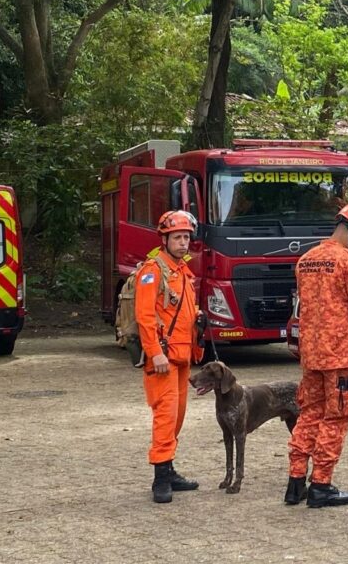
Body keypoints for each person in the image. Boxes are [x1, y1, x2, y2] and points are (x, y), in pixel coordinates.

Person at [285, 203, 348, 508]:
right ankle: (321, 485)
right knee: (336, 418)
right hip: (342, 357)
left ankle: (295, 481)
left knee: (309, 415)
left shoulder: (306, 260)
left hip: (311, 354)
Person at [135, 210, 205, 503]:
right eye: (177, 237)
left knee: (177, 417)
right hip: (163, 359)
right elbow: (145, 317)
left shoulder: (182, 272)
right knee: (165, 416)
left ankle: (170, 467)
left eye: (186, 237)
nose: (183, 242)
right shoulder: (152, 271)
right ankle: (160, 479)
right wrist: (154, 353)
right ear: (164, 239)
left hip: (181, 356)